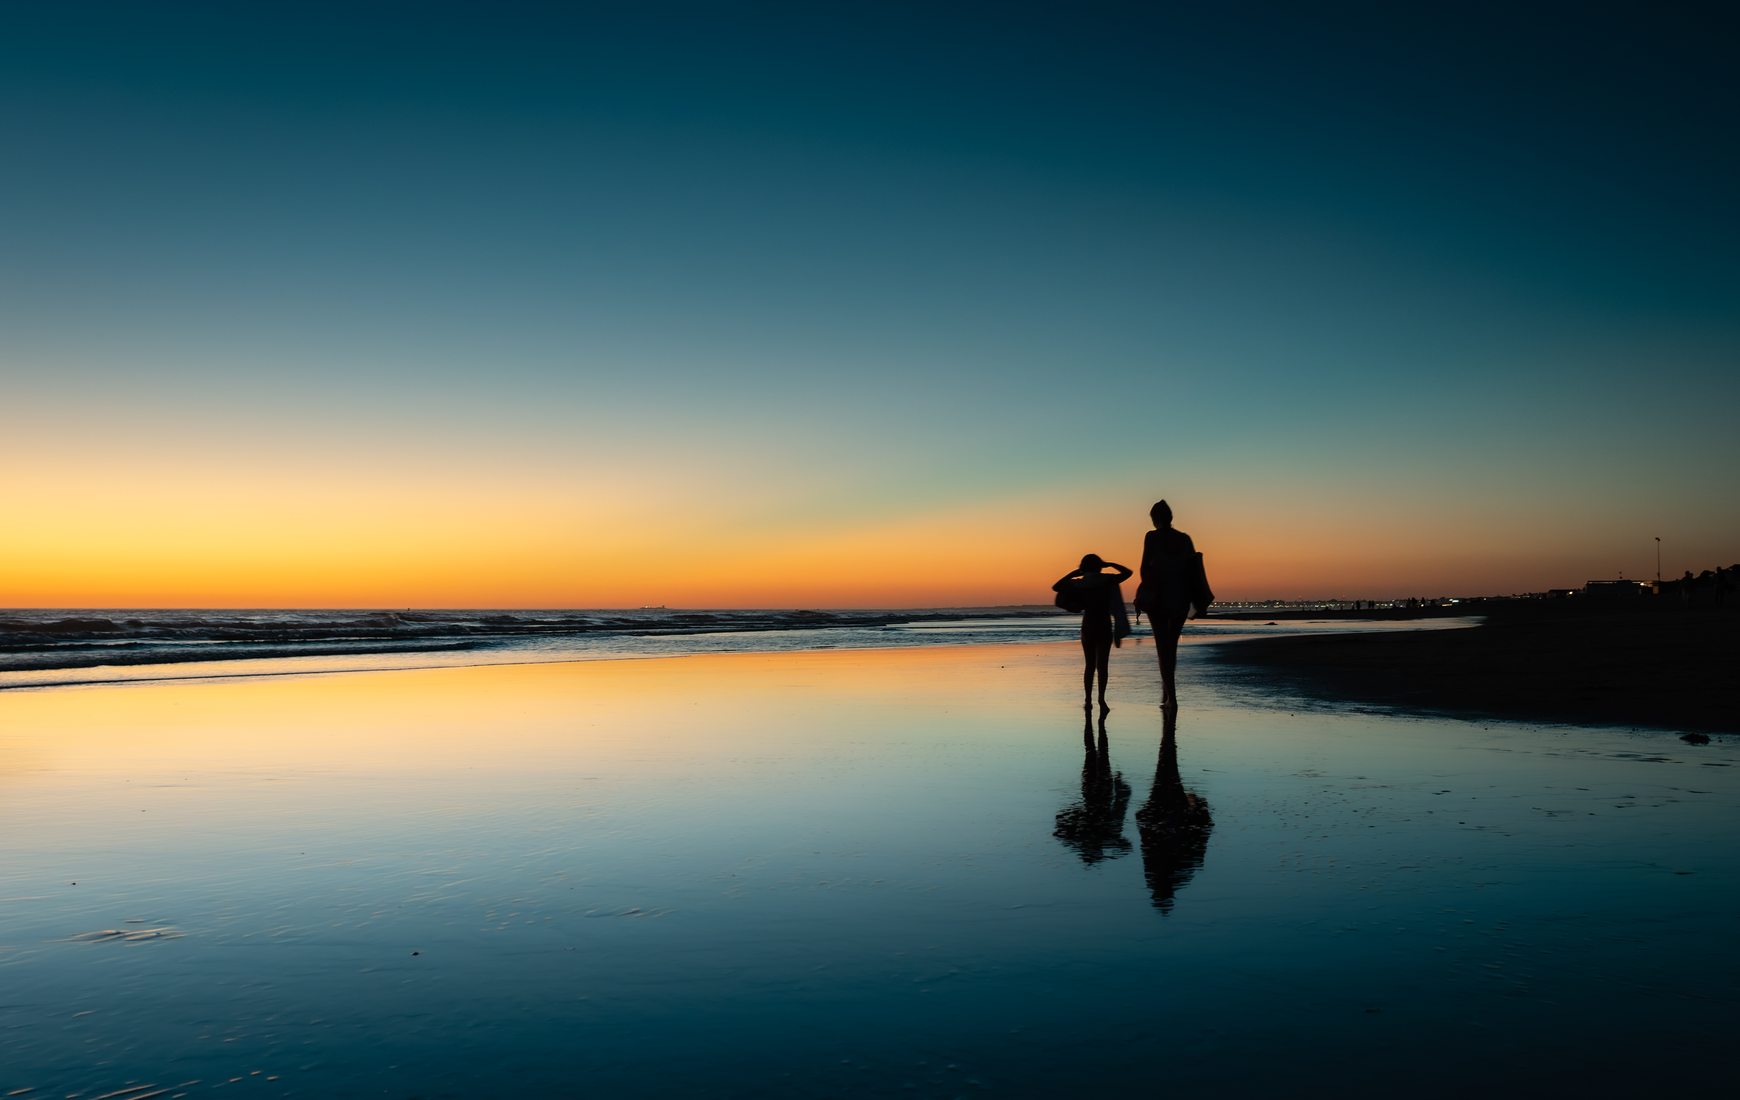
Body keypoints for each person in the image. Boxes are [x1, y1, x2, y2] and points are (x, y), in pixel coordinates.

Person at [1134, 499, 1200, 709]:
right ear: (1171, 517)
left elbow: (1144, 568)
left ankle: (1171, 697)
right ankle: (1167, 689)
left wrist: (1144, 590)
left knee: (1163, 648)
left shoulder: (1151, 537)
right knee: (1171, 646)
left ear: (1154, 519)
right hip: (1181, 597)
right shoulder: (1184, 538)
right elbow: (1193, 570)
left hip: (1159, 598)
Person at [1052, 553, 1133, 711]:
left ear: (1083, 567)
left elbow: (1056, 587)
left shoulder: (1080, 583)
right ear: (1099, 566)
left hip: (1088, 623)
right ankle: (1101, 700)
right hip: (1104, 623)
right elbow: (1128, 573)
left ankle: (1088, 700)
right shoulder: (1107, 580)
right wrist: (1110, 563)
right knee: (1102, 665)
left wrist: (1073, 573)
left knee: (1089, 665)